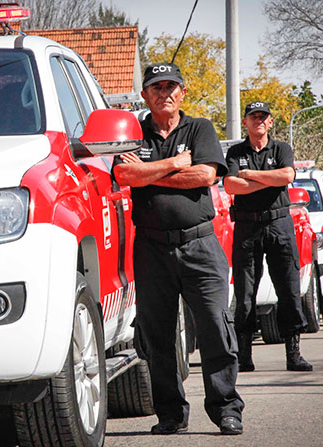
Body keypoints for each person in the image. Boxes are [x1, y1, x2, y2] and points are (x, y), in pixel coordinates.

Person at [113, 63, 244, 436]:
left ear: (182, 93)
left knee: (216, 326)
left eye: (171, 86)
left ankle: (226, 409)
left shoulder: (199, 127)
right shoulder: (132, 134)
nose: (164, 93)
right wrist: (173, 164)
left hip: (200, 243)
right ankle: (171, 414)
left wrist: (150, 173)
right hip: (151, 247)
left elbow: (205, 175)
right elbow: (124, 175)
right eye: (156, 87)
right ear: (145, 95)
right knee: (158, 335)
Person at [224, 101, 313, 372]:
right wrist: (268, 180)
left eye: (263, 117)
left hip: (279, 225)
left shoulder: (282, 149)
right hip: (247, 228)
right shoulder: (235, 152)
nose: (258, 121)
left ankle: (293, 352)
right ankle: (244, 355)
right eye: (253, 116)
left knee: (288, 288)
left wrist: (250, 175)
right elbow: (230, 184)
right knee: (245, 292)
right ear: (246, 122)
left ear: (270, 122)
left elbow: (286, 176)